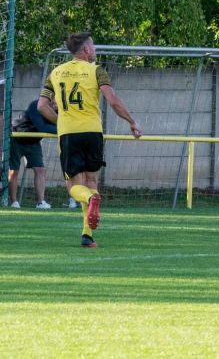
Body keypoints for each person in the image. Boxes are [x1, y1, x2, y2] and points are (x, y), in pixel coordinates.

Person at [38, 33, 142, 248]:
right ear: (86, 50)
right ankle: (87, 235)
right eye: (93, 46)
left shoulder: (55, 73)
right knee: (92, 182)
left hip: (68, 133)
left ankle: (88, 202)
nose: (94, 50)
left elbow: (41, 106)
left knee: (74, 187)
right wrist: (132, 121)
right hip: (93, 132)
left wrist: (62, 121)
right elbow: (112, 100)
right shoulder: (96, 71)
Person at [8, 98, 57, 209]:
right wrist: (64, 128)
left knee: (40, 169)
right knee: (13, 171)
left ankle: (40, 202)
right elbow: (42, 127)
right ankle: (14, 202)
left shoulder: (59, 110)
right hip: (17, 138)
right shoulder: (35, 105)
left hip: (33, 142)